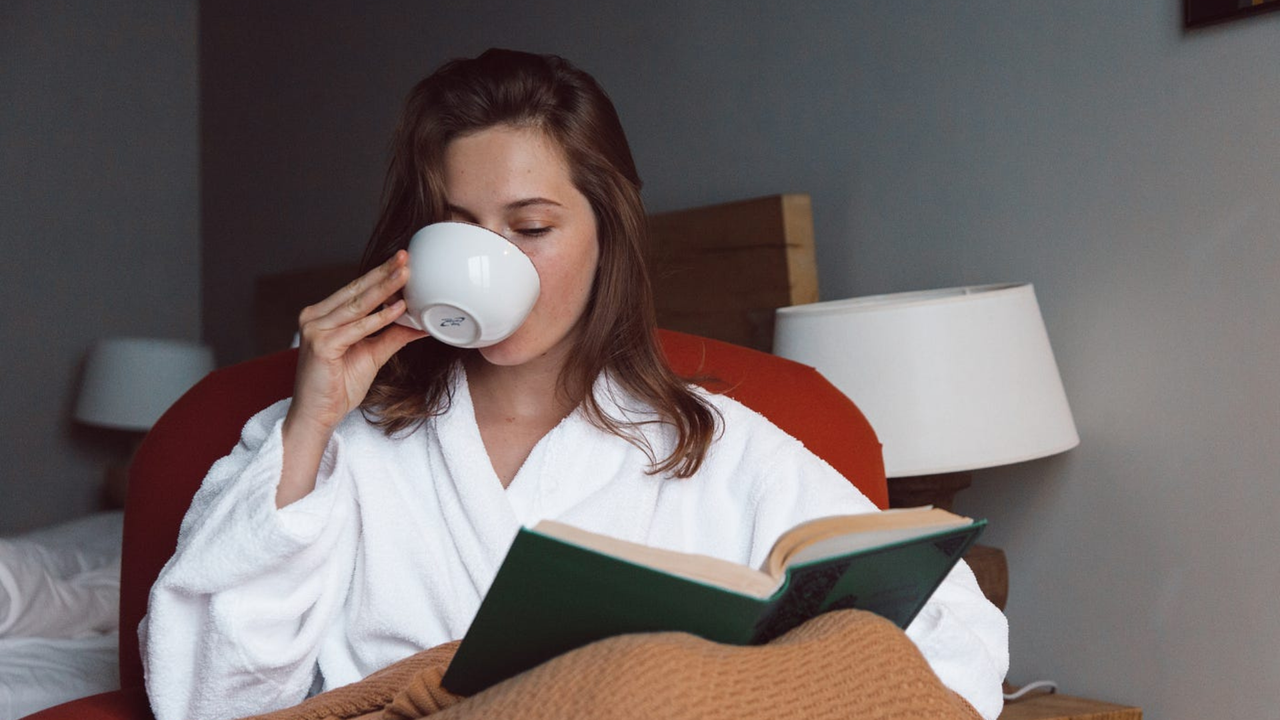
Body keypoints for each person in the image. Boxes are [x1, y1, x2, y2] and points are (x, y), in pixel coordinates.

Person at [140, 49, 1008, 720]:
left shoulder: (718, 447)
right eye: (458, 230)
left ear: (606, 235)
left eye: (532, 227)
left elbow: (952, 650)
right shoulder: (335, 444)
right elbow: (207, 698)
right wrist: (310, 423)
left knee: (678, 672)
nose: (494, 262)